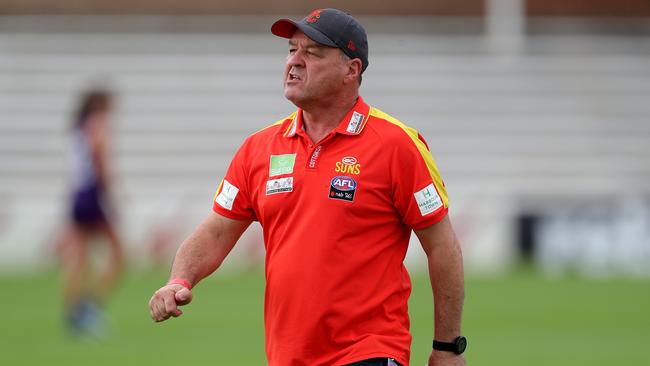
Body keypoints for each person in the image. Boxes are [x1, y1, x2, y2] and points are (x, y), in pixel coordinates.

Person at [149, 8, 466, 366]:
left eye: (312, 53)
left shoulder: (397, 144)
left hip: (370, 351)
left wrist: (447, 346)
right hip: (287, 356)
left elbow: (442, 247)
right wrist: (179, 279)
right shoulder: (259, 147)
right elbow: (218, 231)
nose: (294, 62)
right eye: (290, 50)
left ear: (352, 70)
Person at [61, 89, 125, 336]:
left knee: (77, 257)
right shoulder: (97, 126)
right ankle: (89, 309)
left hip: (77, 194)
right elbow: (100, 163)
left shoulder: (78, 127)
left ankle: (74, 311)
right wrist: (111, 195)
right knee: (119, 254)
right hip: (92, 195)